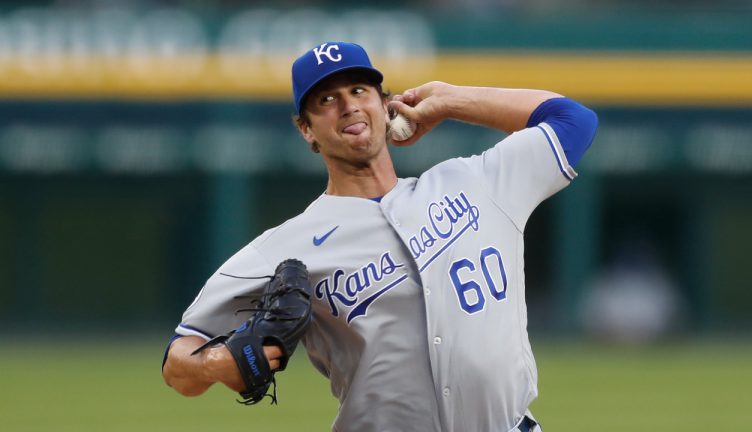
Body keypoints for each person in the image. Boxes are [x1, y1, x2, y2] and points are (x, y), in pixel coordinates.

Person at [162, 41, 598, 432]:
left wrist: (449, 99)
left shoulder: (474, 183)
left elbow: (572, 121)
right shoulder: (285, 246)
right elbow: (178, 361)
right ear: (306, 129)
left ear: (384, 103)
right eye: (326, 99)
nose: (348, 106)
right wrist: (219, 363)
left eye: (359, 91)